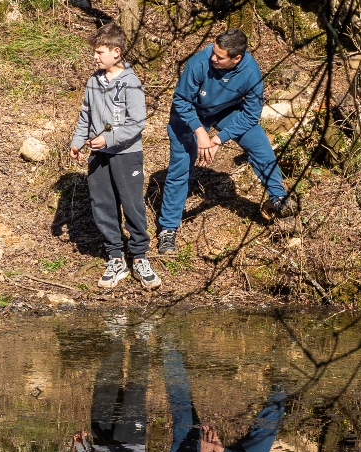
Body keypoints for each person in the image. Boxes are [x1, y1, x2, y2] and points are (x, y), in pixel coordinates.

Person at [156, 29, 286, 254]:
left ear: (237, 58)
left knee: (258, 141)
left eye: (220, 56)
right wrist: (200, 132)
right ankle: (168, 229)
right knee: (181, 166)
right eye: (213, 52)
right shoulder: (199, 63)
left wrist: (218, 140)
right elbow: (181, 100)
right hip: (189, 113)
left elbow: (251, 115)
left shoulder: (251, 72)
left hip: (225, 110)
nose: (213, 58)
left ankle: (279, 198)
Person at [69, 24, 155, 288]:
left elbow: (137, 123)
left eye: (100, 52)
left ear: (116, 52)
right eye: (94, 52)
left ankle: (139, 257)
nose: (94, 57)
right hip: (98, 155)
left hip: (126, 154)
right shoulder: (93, 81)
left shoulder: (131, 83)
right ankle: (115, 258)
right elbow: (85, 114)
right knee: (103, 204)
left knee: (132, 204)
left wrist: (109, 138)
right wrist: (78, 141)